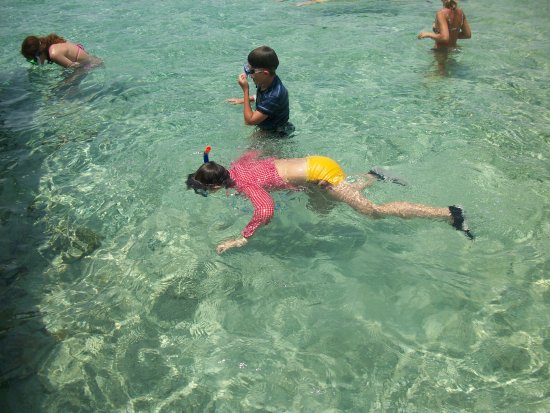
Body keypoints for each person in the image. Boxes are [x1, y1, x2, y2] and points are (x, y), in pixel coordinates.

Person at [186, 149, 474, 254]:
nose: (204, 193)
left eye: (203, 189)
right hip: (315, 164)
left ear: (214, 185)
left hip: (323, 175)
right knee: (321, 212)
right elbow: (254, 151)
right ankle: (374, 175)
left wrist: (243, 238)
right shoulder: (237, 167)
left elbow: (265, 209)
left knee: (372, 212)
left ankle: (451, 213)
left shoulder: (244, 184)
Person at [225, 46, 293, 135]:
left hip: (276, 135)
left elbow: (249, 121)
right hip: (267, 129)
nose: (249, 75)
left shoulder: (274, 95)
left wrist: (245, 90)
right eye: (247, 69)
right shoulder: (267, 82)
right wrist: (242, 100)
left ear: (265, 73)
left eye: (251, 71)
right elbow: (263, 97)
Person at [21, 33, 102, 69]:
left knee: (58, 91)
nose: (35, 63)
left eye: (34, 60)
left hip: (90, 64)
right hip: (91, 59)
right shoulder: (51, 43)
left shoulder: (54, 54)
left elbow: (76, 67)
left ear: (38, 54)